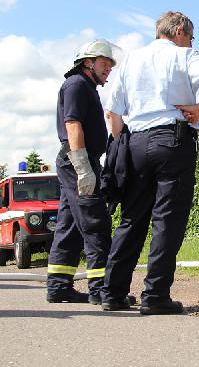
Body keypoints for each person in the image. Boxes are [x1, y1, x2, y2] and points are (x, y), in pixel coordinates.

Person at [101, 11, 199, 315]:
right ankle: (155, 296)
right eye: (191, 37)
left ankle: (113, 293)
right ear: (180, 30)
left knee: (132, 219)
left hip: (135, 143)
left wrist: (124, 147)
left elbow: (113, 113)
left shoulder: (130, 60)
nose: (191, 42)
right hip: (172, 141)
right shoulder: (183, 55)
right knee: (167, 221)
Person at [47, 39, 117, 304]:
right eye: (104, 63)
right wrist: (83, 168)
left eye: (110, 65)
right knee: (95, 222)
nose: (108, 68)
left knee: (69, 227)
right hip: (78, 162)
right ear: (88, 62)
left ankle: (58, 287)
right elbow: (73, 124)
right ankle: (102, 289)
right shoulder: (76, 84)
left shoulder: (86, 86)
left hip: (79, 162)